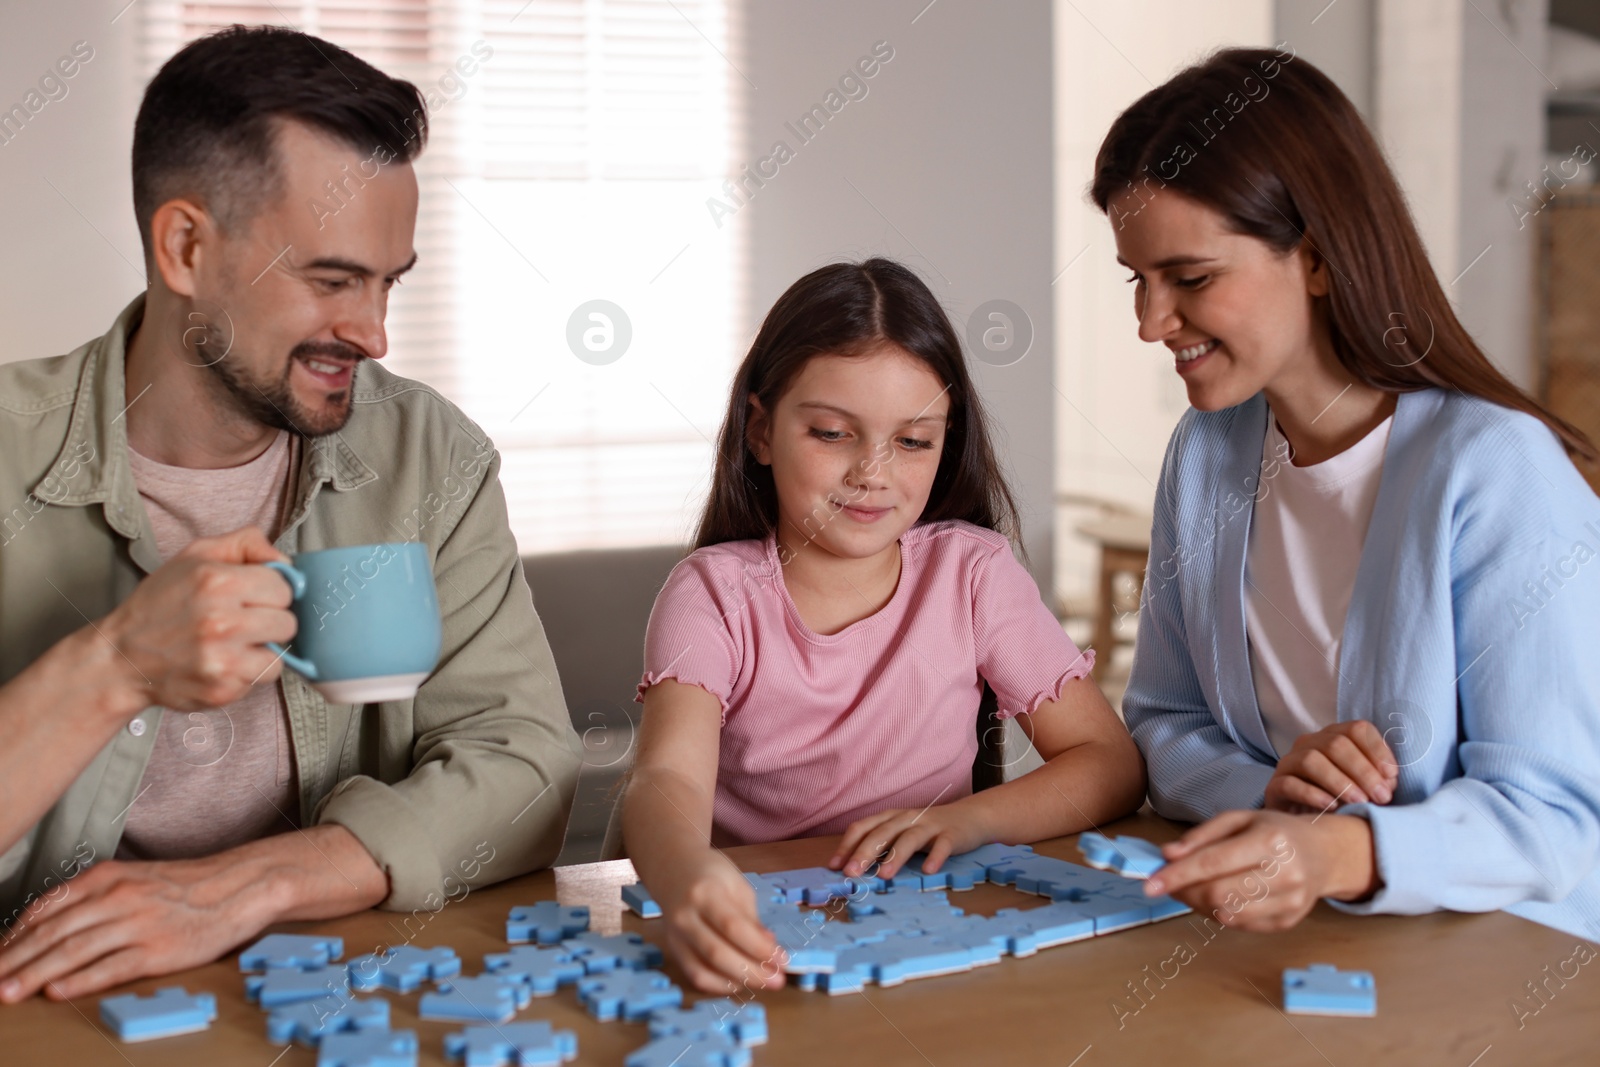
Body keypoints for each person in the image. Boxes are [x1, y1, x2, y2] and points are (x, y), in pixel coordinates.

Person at [0, 27, 580, 1002]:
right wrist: (117, 664)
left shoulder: (431, 457)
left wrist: (248, 885)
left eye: (388, 280)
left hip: (337, 989)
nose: (375, 331)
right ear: (185, 245)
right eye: (332, 279)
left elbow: (525, 765)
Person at [1095, 47, 1600, 938]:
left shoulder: (1495, 471)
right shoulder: (1208, 452)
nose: (1149, 323)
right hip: (1310, 940)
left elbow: (1555, 820)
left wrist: (1338, 851)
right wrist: (1278, 793)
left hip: (1509, 962)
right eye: (1139, 280)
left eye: (1191, 279)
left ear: (1319, 259)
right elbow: (1163, 728)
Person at [621, 258, 1147, 993]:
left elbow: (1109, 762)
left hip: (931, 932)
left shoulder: (974, 575)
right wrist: (686, 876)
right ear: (762, 431)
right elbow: (666, 777)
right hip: (757, 943)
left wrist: (971, 821)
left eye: (913, 440)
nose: (873, 471)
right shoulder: (712, 592)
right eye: (833, 432)